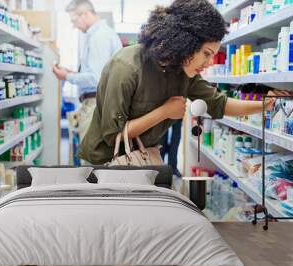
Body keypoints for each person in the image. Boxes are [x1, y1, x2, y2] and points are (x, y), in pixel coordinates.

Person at [78, 0, 289, 165]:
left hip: (142, 159)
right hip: (104, 163)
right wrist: (164, 112)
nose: (208, 63)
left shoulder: (183, 71)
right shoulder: (127, 66)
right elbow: (113, 136)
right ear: (185, 42)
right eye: (206, 54)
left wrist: (265, 105)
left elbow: (219, 104)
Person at [53, 0, 122, 163]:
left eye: (74, 20)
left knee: (91, 162)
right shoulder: (101, 34)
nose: (74, 25)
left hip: (95, 104)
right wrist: (72, 73)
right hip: (99, 103)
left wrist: (67, 77)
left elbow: (95, 78)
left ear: (85, 14)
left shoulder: (99, 37)